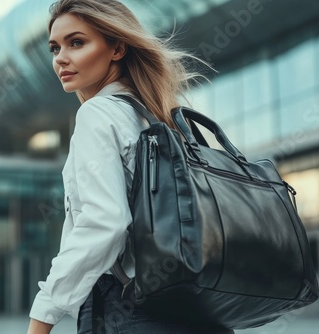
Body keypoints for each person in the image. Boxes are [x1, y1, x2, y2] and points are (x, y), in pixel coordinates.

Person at [27, 0, 233, 333]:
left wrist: (41, 320)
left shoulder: (98, 114)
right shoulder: (163, 120)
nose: (60, 58)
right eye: (55, 48)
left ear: (117, 48)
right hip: (201, 312)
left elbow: (104, 223)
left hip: (131, 311)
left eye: (76, 42)